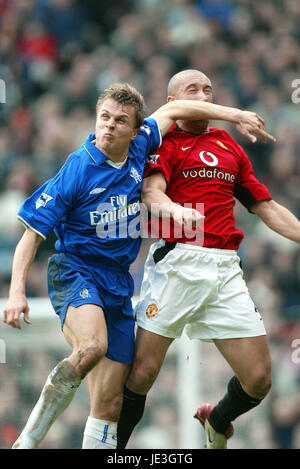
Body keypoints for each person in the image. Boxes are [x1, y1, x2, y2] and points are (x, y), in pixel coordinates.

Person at [2, 82, 272, 450]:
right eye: (104, 117)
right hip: (75, 269)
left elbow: (176, 111)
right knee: (92, 346)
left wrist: (235, 115)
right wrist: (16, 292)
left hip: (118, 282)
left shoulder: (142, 143)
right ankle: (28, 441)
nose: (109, 126)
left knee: (110, 404)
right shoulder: (78, 169)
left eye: (120, 120)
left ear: (135, 129)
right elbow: (31, 235)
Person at [116, 69, 300, 450]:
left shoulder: (229, 146)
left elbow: (266, 208)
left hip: (224, 270)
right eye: (193, 89)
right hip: (177, 264)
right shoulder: (162, 143)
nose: (203, 94)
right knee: (143, 373)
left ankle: (216, 421)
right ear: (174, 103)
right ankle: (112, 449)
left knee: (259, 379)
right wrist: (174, 212)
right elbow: (151, 193)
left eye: (209, 89)